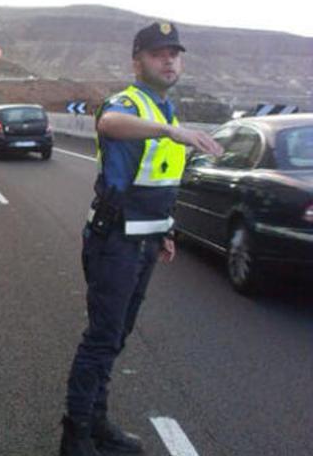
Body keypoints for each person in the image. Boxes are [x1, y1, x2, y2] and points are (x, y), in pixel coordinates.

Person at [59, 22, 223, 456]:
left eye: (175, 53)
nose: (169, 60)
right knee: (101, 338)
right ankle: (74, 435)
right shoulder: (129, 104)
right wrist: (171, 132)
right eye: (157, 53)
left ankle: (96, 422)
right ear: (137, 62)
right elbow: (110, 123)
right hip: (114, 242)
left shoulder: (166, 111)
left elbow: (153, 182)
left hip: (145, 241)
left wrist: (165, 229)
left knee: (116, 337)